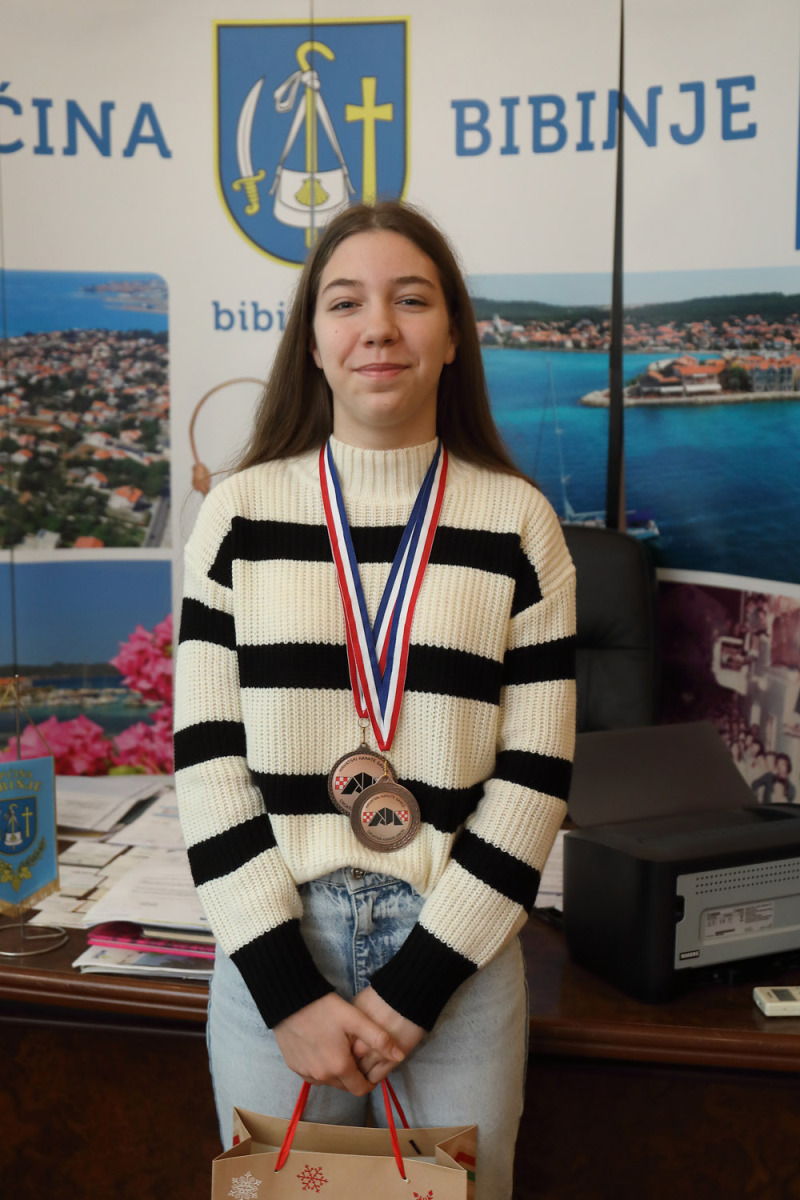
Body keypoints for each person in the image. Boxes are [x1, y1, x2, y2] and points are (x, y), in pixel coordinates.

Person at [174, 200, 576, 1199]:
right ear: (311, 340)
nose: (379, 328)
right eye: (346, 302)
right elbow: (209, 763)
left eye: (412, 300)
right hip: (279, 935)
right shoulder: (238, 516)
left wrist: (419, 985)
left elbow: (533, 781)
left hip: (459, 947)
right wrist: (285, 987)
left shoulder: (518, 524)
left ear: (453, 334)